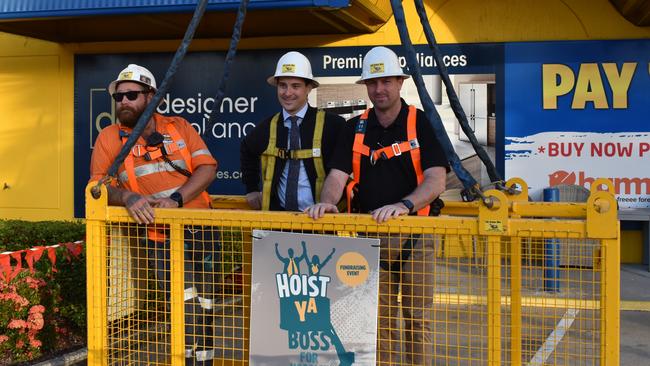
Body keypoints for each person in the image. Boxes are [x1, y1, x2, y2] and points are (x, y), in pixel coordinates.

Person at [305, 46, 448, 365]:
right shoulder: (354, 127)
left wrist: (404, 204)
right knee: (377, 323)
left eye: (386, 81)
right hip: (369, 238)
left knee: (417, 320)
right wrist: (327, 203)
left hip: (416, 234)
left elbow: (436, 179)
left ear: (400, 82)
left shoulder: (420, 123)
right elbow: (337, 175)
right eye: (373, 83)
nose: (379, 89)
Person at [89, 64, 219, 365]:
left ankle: (205, 361)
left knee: (207, 302)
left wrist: (176, 199)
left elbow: (208, 168)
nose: (123, 102)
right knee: (184, 302)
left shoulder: (179, 128)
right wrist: (128, 196)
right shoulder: (109, 138)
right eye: (119, 97)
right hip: (160, 237)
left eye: (131, 95)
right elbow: (98, 186)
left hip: (203, 229)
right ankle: (188, 362)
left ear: (152, 97)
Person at [240, 51, 344, 211]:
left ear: (309, 88)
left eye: (295, 86)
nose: (287, 93)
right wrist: (251, 188)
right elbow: (246, 149)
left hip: (321, 223)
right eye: (283, 85)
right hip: (278, 225)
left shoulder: (333, 125)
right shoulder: (267, 127)